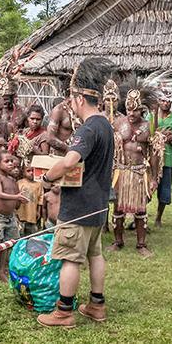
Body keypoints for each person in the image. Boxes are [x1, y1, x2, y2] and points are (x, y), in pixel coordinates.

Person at [37, 57, 115, 328]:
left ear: (80, 99)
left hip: (79, 207)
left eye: (71, 99)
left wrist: (46, 178)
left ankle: (63, 311)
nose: (69, 104)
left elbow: (70, 161)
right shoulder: (105, 124)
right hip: (98, 205)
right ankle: (96, 305)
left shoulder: (89, 128)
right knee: (95, 254)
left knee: (69, 258)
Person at [108, 81, 161, 257]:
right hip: (120, 171)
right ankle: (118, 241)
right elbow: (110, 149)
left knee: (141, 209)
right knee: (118, 209)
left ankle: (141, 244)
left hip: (139, 172)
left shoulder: (149, 126)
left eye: (135, 110)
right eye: (129, 109)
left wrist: (153, 178)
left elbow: (153, 153)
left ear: (142, 110)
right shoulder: (117, 123)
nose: (132, 113)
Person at [0, 150, 28, 284]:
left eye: (11, 161)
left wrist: (20, 200)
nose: (10, 163)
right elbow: (0, 194)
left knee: (7, 244)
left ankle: (2, 271)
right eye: (6, 161)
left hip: (10, 217)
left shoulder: (12, 180)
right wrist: (17, 197)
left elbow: (16, 201)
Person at [155, 96, 172, 228]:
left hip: (167, 159)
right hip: (151, 159)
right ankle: (140, 215)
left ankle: (159, 217)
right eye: (163, 100)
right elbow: (148, 133)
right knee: (146, 190)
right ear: (158, 101)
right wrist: (164, 133)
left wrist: (158, 133)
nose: (165, 103)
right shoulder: (151, 115)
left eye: (168, 101)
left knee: (164, 190)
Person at [17, 165, 44, 235]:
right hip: (20, 212)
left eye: (33, 171)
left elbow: (40, 198)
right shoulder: (19, 183)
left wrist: (38, 211)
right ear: (23, 172)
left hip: (32, 213)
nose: (31, 173)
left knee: (32, 233)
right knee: (20, 233)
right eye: (28, 171)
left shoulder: (38, 184)